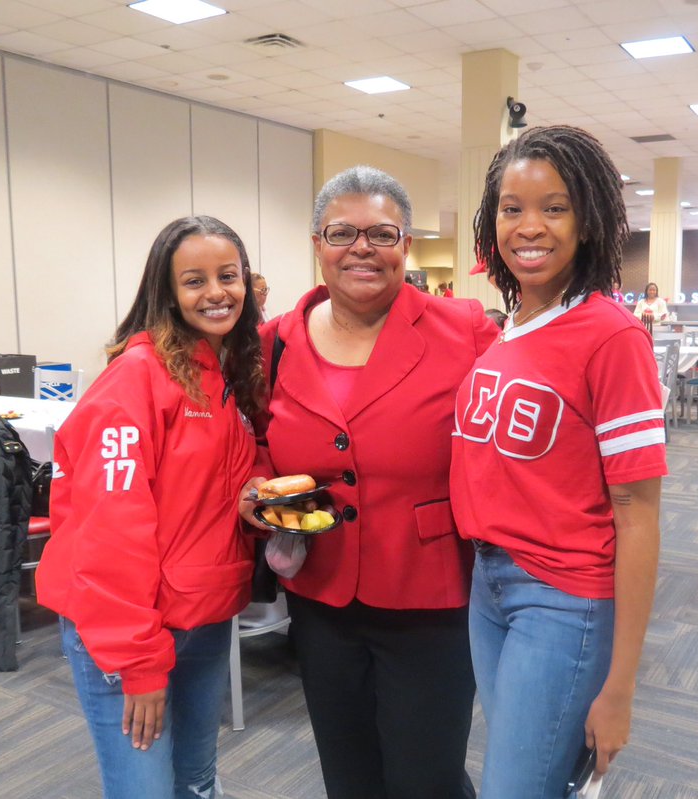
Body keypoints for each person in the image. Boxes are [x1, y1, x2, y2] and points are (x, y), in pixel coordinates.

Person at [239, 166, 498, 799]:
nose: (362, 247)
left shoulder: (464, 331)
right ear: (317, 243)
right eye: (342, 232)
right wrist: (257, 488)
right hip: (324, 596)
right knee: (348, 771)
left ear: (406, 243)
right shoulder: (272, 344)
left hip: (431, 594)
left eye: (381, 233)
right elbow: (256, 446)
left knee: (425, 777)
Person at [453, 125, 666, 797]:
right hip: (488, 586)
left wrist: (621, 687)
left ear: (588, 219)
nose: (530, 226)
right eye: (512, 208)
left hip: (562, 599)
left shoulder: (611, 337)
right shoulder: (507, 328)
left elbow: (638, 518)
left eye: (555, 206)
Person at [35, 216, 265, 798]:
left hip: (205, 617)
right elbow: (109, 533)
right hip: (129, 631)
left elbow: (228, 464)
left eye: (228, 276)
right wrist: (139, 662)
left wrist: (255, 490)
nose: (216, 292)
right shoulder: (134, 382)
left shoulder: (227, 372)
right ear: (166, 293)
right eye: (195, 280)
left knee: (195, 782)